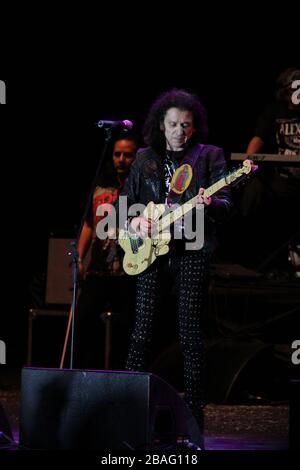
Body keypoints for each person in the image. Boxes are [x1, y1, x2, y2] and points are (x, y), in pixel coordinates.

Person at [117, 89, 232, 448]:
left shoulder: (209, 156)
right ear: (160, 126)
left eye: (186, 125)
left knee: (190, 336)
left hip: (192, 252)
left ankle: (194, 424)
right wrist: (136, 223)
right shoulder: (144, 159)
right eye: (173, 125)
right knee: (141, 332)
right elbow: (124, 206)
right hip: (151, 252)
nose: (179, 131)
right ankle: (126, 417)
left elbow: (227, 203)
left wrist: (211, 201)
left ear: (194, 128)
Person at [73, 130, 139, 369]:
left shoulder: (142, 186)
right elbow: (89, 224)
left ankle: (124, 374)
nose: (121, 159)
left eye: (127, 155)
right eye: (117, 154)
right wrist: (79, 257)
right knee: (83, 319)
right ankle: (82, 372)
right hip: (99, 269)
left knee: (128, 326)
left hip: (129, 271)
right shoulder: (100, 185)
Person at [239, 67, 300, 269]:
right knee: (254, 190)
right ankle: (249, 253)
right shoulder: (274, 111)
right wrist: (248, 160)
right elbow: (258, 138)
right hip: (281, 180)